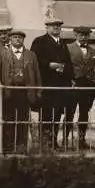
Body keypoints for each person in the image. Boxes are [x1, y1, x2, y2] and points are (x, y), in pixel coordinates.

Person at [0, 30, 42, 153]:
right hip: (9, 92)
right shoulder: (3, 54)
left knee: (23, 119)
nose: (17, 39)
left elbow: (37, 74)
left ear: (23, 40)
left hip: (25, 91)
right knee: (8, 119)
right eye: (14, 37)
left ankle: (21, 146)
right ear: (10, 39)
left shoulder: (31, 55)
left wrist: (38, 91)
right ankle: (7, 147)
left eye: (20, 37)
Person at [31, 18, 74, 149]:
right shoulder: (39, 41)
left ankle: (53, 141)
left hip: (60, 86)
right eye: (53, 26)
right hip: (46, 85)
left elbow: (68, 62)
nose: (56, 28)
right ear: (47, 27)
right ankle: (44, 143)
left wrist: (68, 75)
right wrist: (49, 65)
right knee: (46, 115)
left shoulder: (62, 43)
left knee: (57, 116)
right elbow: (34, 61)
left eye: (58, 26)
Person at [65, 26, 95, 149]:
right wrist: (69, 80)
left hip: (88, 86)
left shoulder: (93, 51)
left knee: (84, 112)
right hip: (74, 84)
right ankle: (65, 139)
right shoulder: (68, 48)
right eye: (81, 35)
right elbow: (65, 66)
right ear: (75, 35)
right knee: (70, 112)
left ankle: (81, 139)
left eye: (86, 35)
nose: (84, 37)